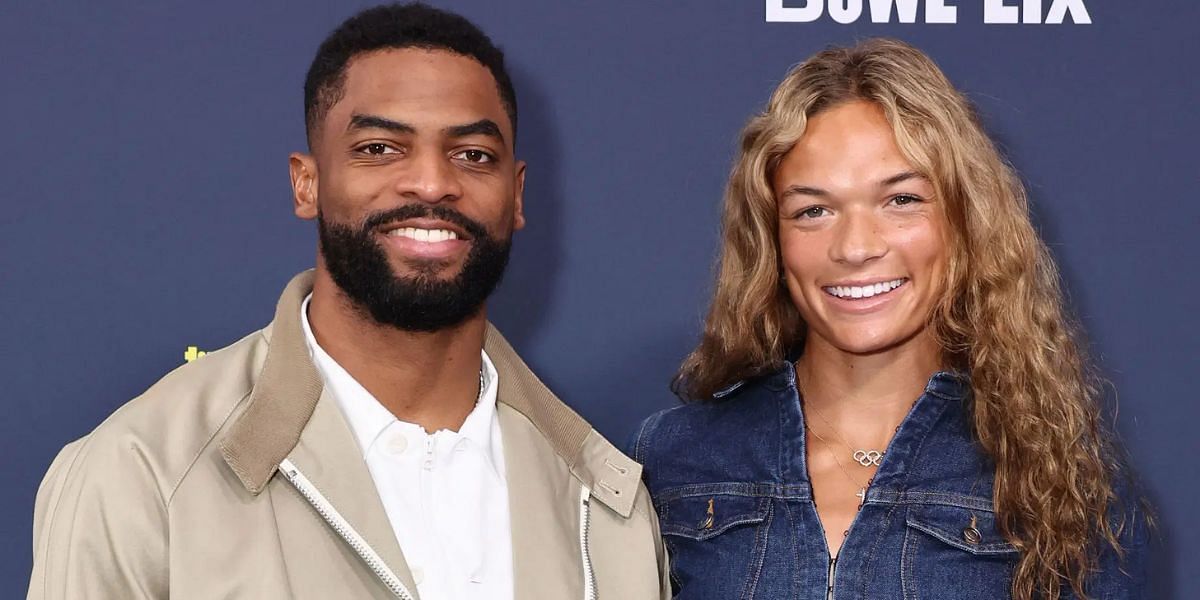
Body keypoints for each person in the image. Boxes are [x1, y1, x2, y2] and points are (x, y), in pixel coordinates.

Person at [27, 4, 668, 599]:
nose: (431, 183)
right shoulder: (144, 472)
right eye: (379, 149)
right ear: (308, 184)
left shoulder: (608, 503)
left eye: (472, 155)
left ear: (517, 194)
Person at [631, 39, 1149, 599]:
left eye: (901, 200)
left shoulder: (1054, 482)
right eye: (814, 210)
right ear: (772, 243)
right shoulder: (674, 458)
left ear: (963, 222)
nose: (855, 247)